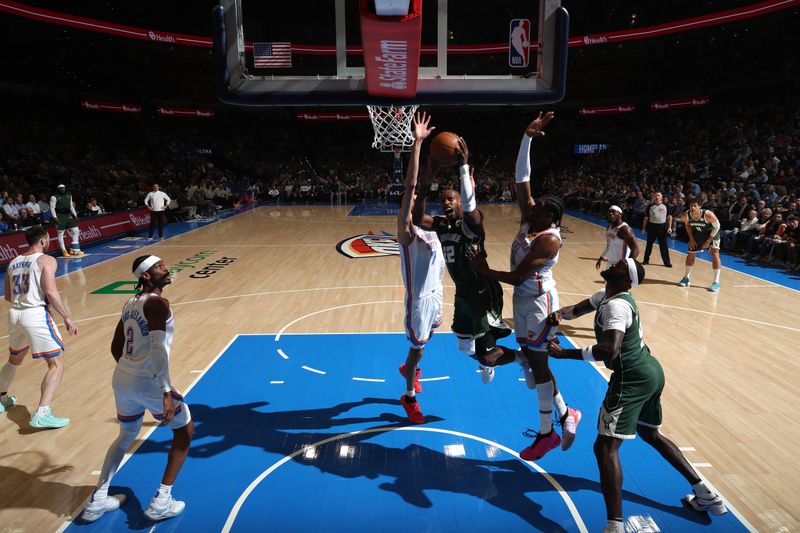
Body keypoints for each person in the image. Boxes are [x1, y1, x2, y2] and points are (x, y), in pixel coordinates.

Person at [546, 258, 727, 532]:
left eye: (621, 264)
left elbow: (610, 351)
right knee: (651, 434)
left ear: (627, 279)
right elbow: (577, 309)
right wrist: (560, 314)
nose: (615, 261)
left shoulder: (617, 306)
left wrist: (565, 354)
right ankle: (705, 494)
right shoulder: (607, 295)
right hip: (650, 372)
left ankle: (614, 526)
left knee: (605, 448)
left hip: (630, 378)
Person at [468, 112, 579, 461]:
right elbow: (521, 180)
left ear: (552, 218)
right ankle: (565, 414)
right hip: (523, 301)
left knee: (538, 367)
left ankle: (547, 433)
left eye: (542, 205)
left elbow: (517, 277)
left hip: (539, 302)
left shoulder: (549, 241)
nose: (533, 203)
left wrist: (484, 271)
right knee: (534, 364)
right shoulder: (532, 217)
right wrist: (526, 137)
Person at [82, 255, 194, 523]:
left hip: (122, 378)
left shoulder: (130, 303)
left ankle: (97, 500)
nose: (166, 269)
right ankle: (161, 502)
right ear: (145, 276)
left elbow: (114, 347)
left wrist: (131, 370)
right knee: (185, 431)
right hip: (149, 382)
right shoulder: (157, 303)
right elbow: (157, 350)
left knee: (125, 435)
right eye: (159, 267)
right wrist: (165, 391)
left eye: (165, 264)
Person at [412, 137, 515, 385]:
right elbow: (416, 218)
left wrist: (463, 167)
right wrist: (427, 177)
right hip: (463, 294)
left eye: (451, 199)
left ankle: (524, 360)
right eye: (443, 199)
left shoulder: (471, 224)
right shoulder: (440, 225)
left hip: (483, 292)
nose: (446, 202)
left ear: (460, 202)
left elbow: (471, 208)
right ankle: (486, 362)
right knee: (464, 348)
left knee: (488, 355)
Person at [1, 226, 78, 428]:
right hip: (34, 313)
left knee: (15, 359)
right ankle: (43, 412)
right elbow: (51, 292)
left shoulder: (13, 261)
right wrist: (67, 317)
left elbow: (8, 295)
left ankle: (1, 398)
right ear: (42, 241)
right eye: (48, 239)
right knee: (57, 363)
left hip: (15, 313)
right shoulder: (46, 260)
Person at [396, 112, 444, 424]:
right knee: (416, 350)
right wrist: (417, 144)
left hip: (437, 295)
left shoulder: (432, 228)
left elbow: (423, 188)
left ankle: (412, 367)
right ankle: (408, 396)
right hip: (419, 301)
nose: (415, 202)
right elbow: (413, 184)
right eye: (411, 201)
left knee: (424, 344)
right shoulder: (405, 229)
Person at [678, 199, 723, 291]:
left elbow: (717, 227)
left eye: (695, 205)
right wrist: (691, 239)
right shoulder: (686, 214)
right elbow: (687, 225)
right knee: (691, 254)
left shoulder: (708, 214)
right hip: (698, 233)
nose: (692, 207)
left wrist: (708, 241)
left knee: (714, 254)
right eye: (691, 206)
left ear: (700, 206)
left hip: (712, 233)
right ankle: (686, 278)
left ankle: (716, 282)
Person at [596, 205, 639, 270]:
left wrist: (626, 264)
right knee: (607, 280)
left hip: (621, 264)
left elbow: (635, 249)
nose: (610, 213)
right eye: (609, 212)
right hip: (610, 262)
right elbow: (609, 245)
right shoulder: (609, 228)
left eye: (613, 212)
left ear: (620, 214)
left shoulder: (625, 229)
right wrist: (601, 258)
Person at [49, 184, 84, 257]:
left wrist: (75, 215)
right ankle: (64, 251)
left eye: (63, 188)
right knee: (61, 233)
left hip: (68, 215)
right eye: (61, 188)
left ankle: (75, 249)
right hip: (60, 215)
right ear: (58, 189)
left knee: (76, 230)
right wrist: (55, 217)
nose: (62, 189)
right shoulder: (54, 197)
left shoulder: (69, 195)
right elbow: (52, 208)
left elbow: (71, 206)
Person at [641, 192, 672, 267]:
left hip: (662, 228)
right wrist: (644, 228)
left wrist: (670, 227)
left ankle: (667, 262)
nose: (657, 197)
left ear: (661, 197)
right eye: (655, 195)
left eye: (658, 195)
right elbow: (646, 218)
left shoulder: (666, 206)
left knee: (664, 246)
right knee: (649, 245)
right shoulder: (650, 206)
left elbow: (669, 217)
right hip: (652, 227)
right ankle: (646, 260)